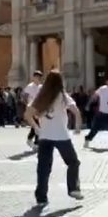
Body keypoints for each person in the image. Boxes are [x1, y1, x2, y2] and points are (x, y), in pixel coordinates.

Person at [25, 70, 84, 206]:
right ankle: (73, 189)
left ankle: (41, 197)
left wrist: (36, 127)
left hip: (45, 136)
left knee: (43, 168)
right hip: (61, 135)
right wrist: (77, 127)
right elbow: (76, 112)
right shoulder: (62, 96)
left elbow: (28, 114)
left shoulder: (41, 96)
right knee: (73, 162)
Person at [84, 75, 108, 148]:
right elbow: (94, 97)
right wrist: (88, 105)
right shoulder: (102, 89)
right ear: (106, 81)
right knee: (95, 128)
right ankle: (87, 140)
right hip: (102, 112)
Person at [24, 71, 44, 150]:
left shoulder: (41, 87)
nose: (38, 78)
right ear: (33, 77)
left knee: (37, 125)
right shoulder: (30, 86)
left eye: (39, 77)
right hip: (31, 108)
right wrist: (27, 105)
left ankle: (33, 141)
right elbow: (25, 96)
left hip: (39, 108)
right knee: (36, 125)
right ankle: (34, 141)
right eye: (36, 76)